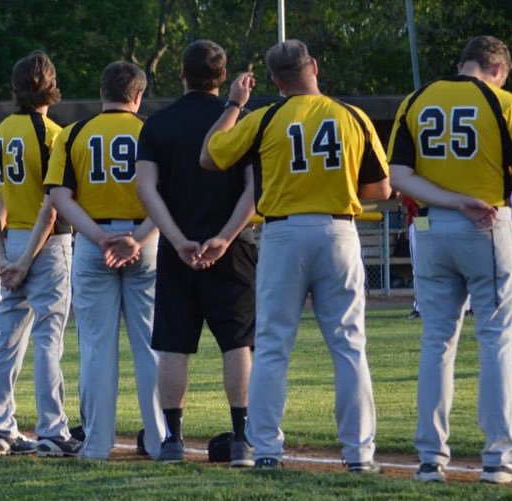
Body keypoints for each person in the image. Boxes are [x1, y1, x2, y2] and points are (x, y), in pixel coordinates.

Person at [201, 40, 390, 472]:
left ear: (276, 81)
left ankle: (266, 449)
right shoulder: (351, 116)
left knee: (271, 346)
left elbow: (210, 155)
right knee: (348, 346)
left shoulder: (268, 116)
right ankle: (359, 454)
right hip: (338, 229)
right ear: (315, 67)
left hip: (283, 233)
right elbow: (381, 189)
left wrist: (233, 104)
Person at [388, 35, 512, 484]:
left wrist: (453, 200)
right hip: (486, 223)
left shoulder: (417, 99)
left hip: (432, 228)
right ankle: (499, 457)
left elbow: (398, 175)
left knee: (437, 342)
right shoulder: (502, 102)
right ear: (497, 68)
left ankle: (429, 459)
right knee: (494, 340)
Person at [135, 40, 257, 466]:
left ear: (182, 75)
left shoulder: (158, 125)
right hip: (232, 249)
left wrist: (175, 237)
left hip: (177, 248)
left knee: (174, 344)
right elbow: (251, 192)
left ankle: (173, 440)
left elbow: (146, 188)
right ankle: (242, 438)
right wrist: (224, 237)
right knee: (238, 343)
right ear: (222, 78)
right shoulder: (238, 121)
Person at [44, 61, 164, 461]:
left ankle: (96, 444)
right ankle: (161, 440)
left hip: (94, 244)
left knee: (97, 347)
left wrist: (97, 236)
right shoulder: (152, 131)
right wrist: (138, 237)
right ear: (138, 95)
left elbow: (59, 196)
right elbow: (169, 195)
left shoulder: (76, 132)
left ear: (102, 92)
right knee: (149, 345)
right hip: (144, 240)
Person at [0, 51, 74, 457]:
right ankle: (52, 430)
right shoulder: (54, 134)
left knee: (7, 339)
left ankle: (1, 429)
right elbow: (51, 208)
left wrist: (1, 258)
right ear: (50, 86)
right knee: (48, 336)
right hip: (44, 247)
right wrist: (23, 261)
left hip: (12, 240)